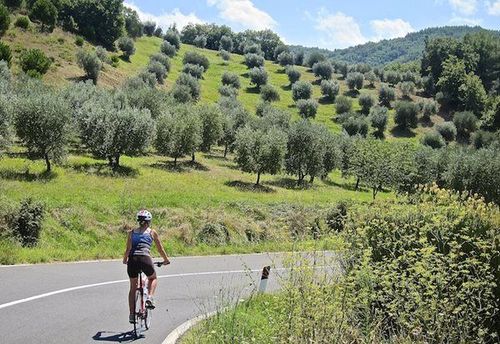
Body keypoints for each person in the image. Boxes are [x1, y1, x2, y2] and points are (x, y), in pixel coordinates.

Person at [123, 209, 170, 324]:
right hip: (145, 259)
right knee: (152, 278)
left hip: (132, 260)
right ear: (149, 221)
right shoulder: (152, 232)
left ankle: (132, 315)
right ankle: (150, 297)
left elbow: (128, 249)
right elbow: (160, 249)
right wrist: (166, 260)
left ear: (138, 221)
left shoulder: (131, 233)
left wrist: (125, 260)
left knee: (133, 288)